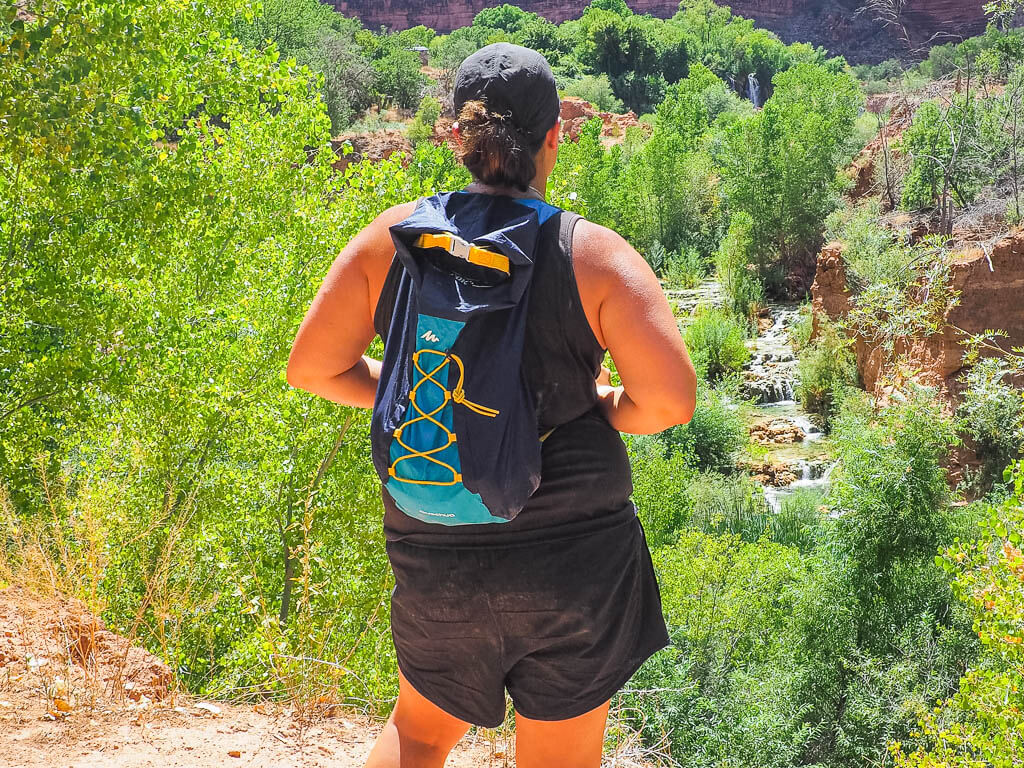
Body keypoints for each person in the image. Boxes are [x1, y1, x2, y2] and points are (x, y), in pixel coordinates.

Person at [288, 43, 697, 768]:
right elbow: (667, 402)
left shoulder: (390, 241)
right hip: (573, 562)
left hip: (435, 545)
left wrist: (418, 389)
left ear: (456, 138)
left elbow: (314, 369)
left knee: (418, 731)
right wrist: (606, 407)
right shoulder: (592, 255)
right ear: (555, 137)